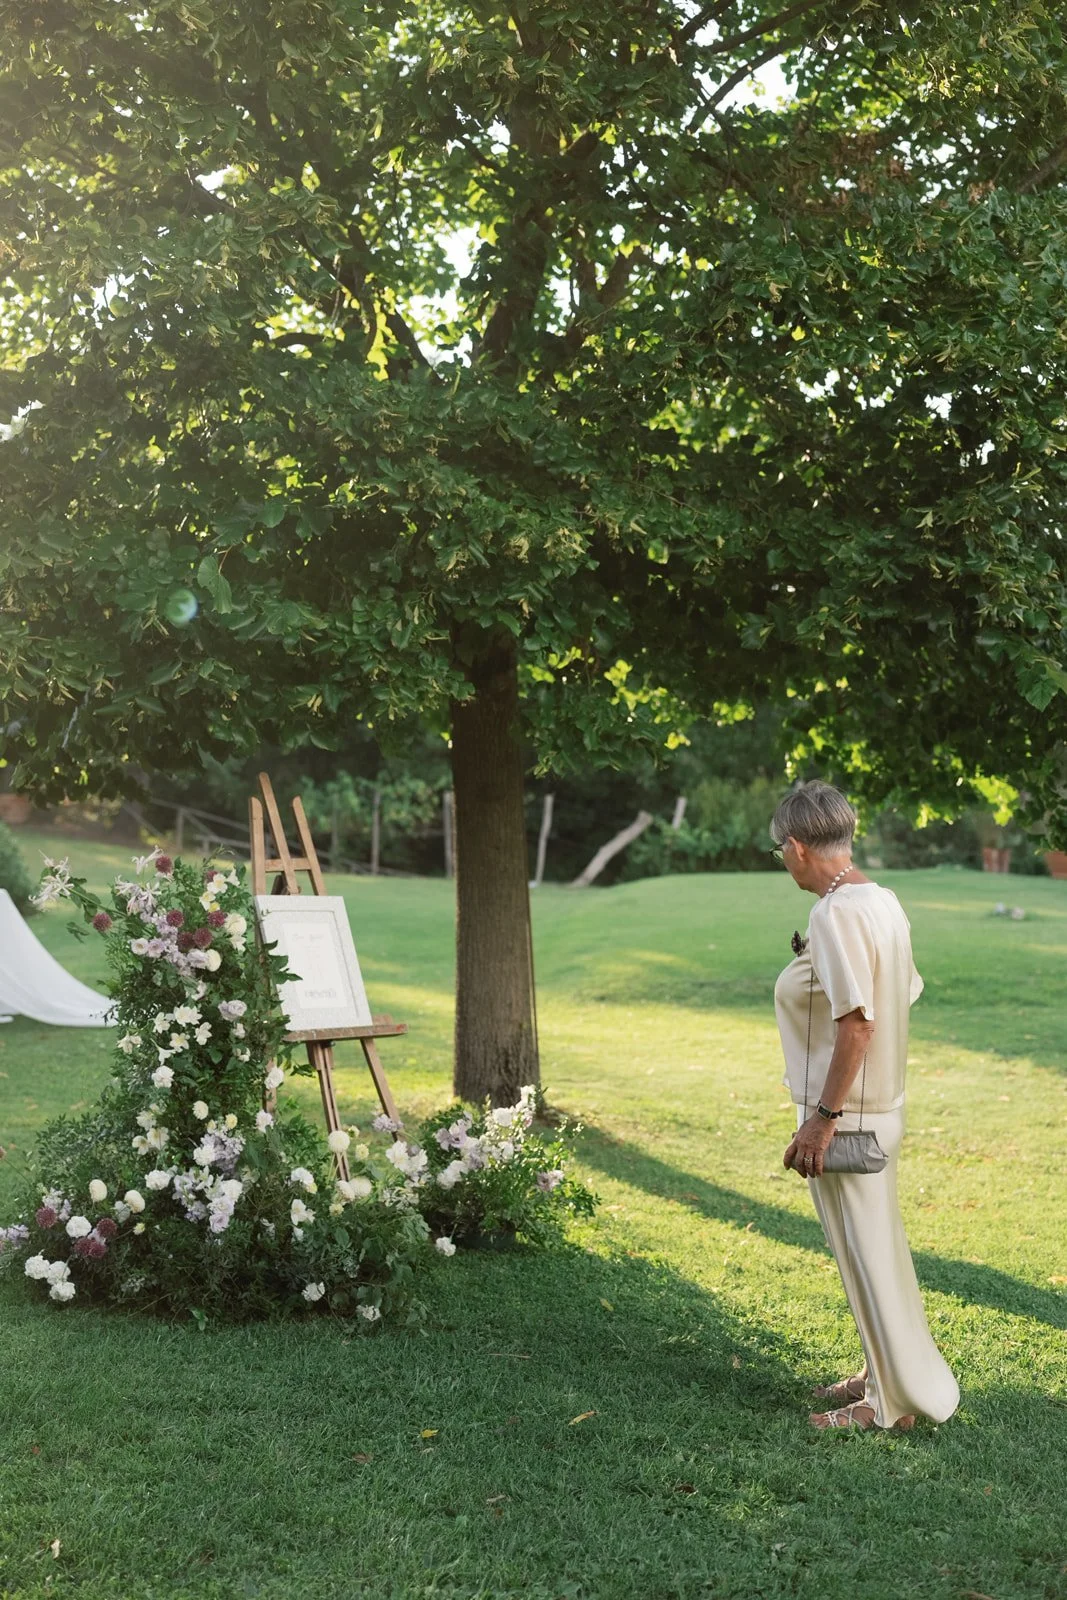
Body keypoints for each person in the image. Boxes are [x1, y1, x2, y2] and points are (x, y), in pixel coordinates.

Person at [771, 781, 959, 1432]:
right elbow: (899, 991)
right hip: (881, 1106)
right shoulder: (879, 901)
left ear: (797, 847)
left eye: (780, 851)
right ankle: (877, 1372)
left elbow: (859, 1024)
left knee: (870, 1255)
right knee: (863, 1250)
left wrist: (821, 1119)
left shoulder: (833, 913)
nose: (784, 862)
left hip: (848, 1116)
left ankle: (889, 1406)